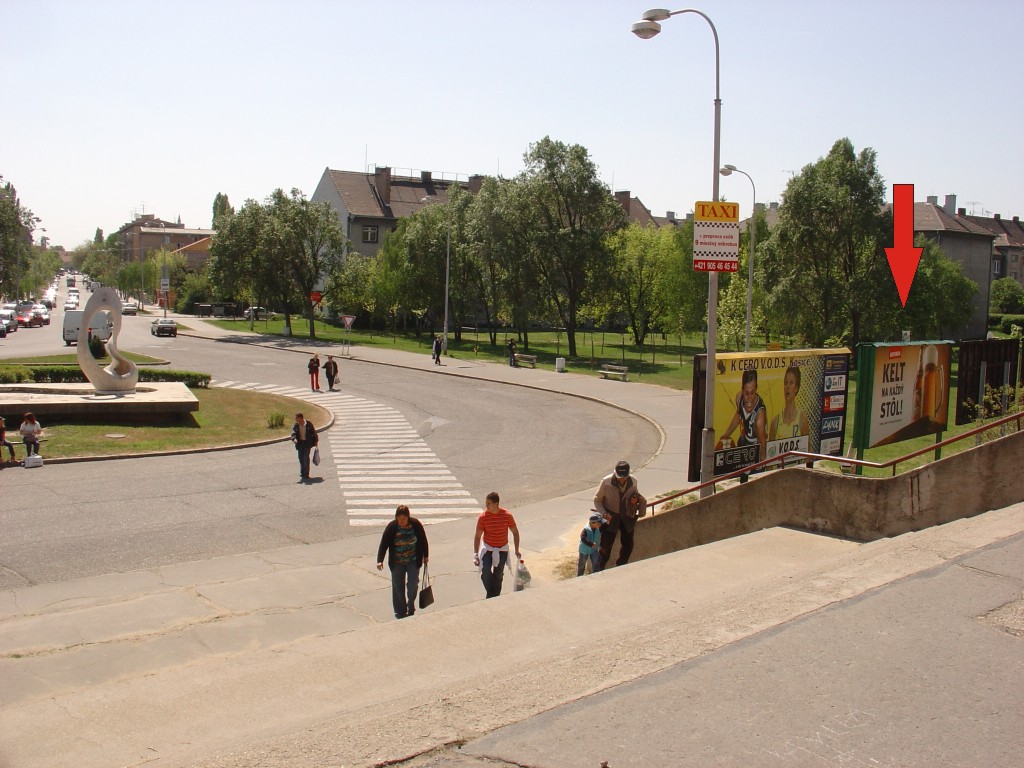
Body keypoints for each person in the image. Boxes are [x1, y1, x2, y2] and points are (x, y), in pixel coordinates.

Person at [376, 505, 429, 620]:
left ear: (408, 517)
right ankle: (400, 611)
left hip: (413, 561)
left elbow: (423, 540)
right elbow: (384, 543)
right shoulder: (392, 527)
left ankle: (410, 605)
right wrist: (380, 560)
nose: (401, 522)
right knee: (398, 587)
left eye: (403, 519)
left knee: (413, 585)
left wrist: (426, 556)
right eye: (399, 519)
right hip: (397, 562)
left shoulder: (415, 524)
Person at [594, 460, 646, 568]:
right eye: (620, 477)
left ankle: (620, 566)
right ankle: (599, 569)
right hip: (610, 519)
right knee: (605, 547)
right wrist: (604, 514)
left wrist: (635, 500)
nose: (622, 479)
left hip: (627, 518)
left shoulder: (634, 481)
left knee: (628, 545)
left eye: (624, 476)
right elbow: (597, 500)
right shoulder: (606, 482)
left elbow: (635, 495)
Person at [473, 491, 521, 598]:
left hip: (502, 550)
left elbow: (515, 533)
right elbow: (477, 536)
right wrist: (476, 554)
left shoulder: (507, 516)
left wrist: (517, 550)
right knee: (485, 572)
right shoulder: (483, 517)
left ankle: (492, 598)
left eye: (489, 503)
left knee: (498, 575)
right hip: (488, 549)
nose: (486, 506)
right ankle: (493, 597)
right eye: (486, 503)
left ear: (496, 504)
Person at [720, 369, 768, 463]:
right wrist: (726, 435)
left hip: (755, 448)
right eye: (746, 393)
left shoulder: (759, 417)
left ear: (756, 389)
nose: (749, 398)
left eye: (752, 393)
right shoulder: (739, 398)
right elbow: (739, 415)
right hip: (743, 441)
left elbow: (762, 445)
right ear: (742, 390)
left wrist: (761, 464)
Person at [769, 365, 810, 441]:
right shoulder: (775, 423)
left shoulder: (802, 420)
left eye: (791, 383)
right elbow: (770, 451)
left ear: (796, 388)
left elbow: (807, 449)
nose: (787, 386)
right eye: (786, 382)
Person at [290, 412, 318, 481]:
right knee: (301, 458)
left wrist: (316, 441)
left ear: (300, 418)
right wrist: (294, 439)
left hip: (307, 443)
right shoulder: (296, 425)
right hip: (300, 444)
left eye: (296, 418)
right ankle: (302, 472)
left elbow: (314, 433)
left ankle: (306, 473)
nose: (295, 419)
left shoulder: (308, 424)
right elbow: (293, 433)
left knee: (306, 458)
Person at [578, 511, 605, 576]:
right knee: (582, 563)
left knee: (596, 562)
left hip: (594, 549)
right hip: (584, 550)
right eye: (599, 523)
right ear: (593, 523)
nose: (600, 524)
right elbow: (583, 538)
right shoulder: (586, 529)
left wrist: (599, 545)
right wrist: (591, 544)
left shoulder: (597, 528)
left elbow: (599, 537)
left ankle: (596, 574)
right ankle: (579, 576)